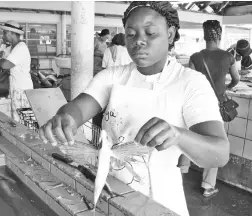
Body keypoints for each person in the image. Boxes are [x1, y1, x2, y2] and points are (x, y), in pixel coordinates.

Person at [38, 2, 230, 216]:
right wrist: (66, 118)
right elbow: (79, 109)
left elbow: (219, 154)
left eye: (150, 33)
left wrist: (179, 135)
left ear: (170, 33)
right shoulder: (113, 76)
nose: (139, 40)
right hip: (110, 190)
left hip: (159, 201)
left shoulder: (190, 83)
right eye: (130, 34)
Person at [178, 20, 239, 198]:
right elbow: (235, 79)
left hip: (196, 104)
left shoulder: (196, 57)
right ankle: (207, 186)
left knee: (189, 138)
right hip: (216, 106)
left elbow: (188, 82)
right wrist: (225, 87)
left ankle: (178, 174)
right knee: (214, 142)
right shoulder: (228, 57)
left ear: (204, 36)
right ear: (219, 35)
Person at [0, 20, 33, 121]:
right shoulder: (11, 47)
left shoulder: (21, 48)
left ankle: (30, 136)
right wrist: (2, 47)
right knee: (16, 118)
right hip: (14, 87)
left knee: (25, 119)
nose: (4, 35)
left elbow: (5, 64)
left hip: (22, 89)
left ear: (12, 33)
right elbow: (0, 57)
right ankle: (19, 136)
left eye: (5, 33)